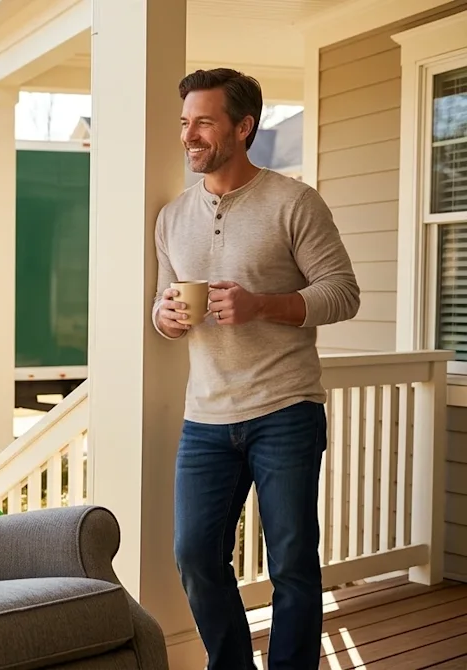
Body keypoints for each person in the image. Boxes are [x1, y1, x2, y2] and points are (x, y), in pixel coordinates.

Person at [151, 68, 360, 669]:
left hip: (286, 410)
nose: (190, 135)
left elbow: (342, 293)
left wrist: (261, 304)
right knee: (194, 554)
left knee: (292, 561)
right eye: (185, 122)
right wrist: (165, 317)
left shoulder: (294, 202)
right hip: (206, 416)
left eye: (205, 122)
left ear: (243, 128)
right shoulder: (172, 217)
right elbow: (165, 305)